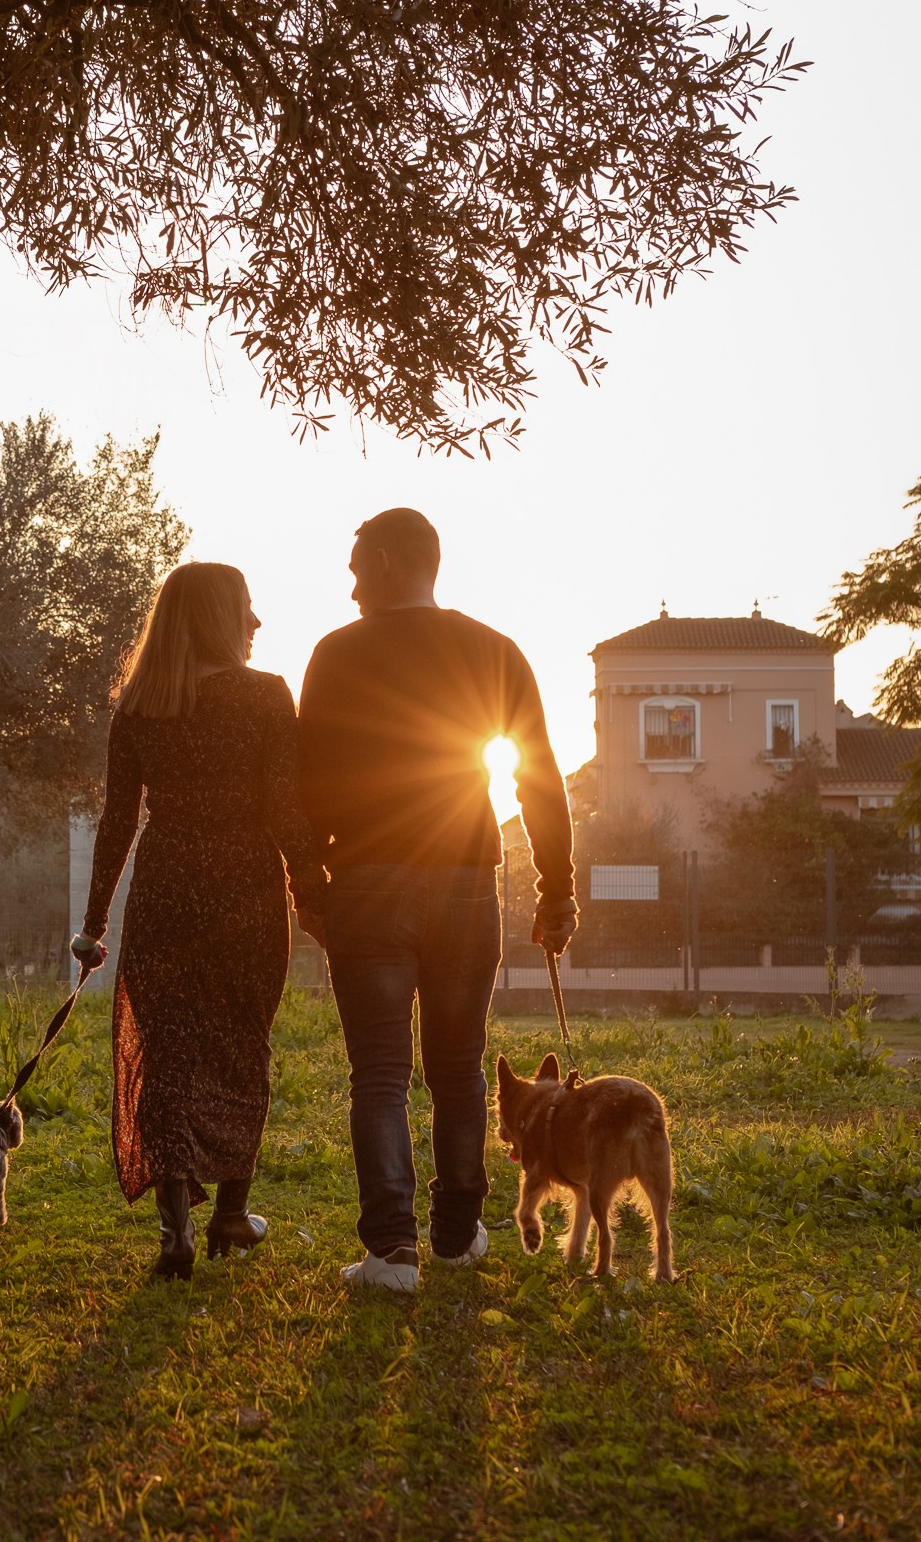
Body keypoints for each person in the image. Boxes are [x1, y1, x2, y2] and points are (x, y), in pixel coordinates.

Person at [297, 508, 576, 1292]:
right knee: (457, 1071)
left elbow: (306, 783)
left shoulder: (336, 654)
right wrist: (558, 890)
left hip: (368, 883)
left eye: (356, 569)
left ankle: (392, 1254)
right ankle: (457, 1236)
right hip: (463, 885)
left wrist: (310, 883)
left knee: (379, 1075)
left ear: (386, 561)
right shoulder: (494, 650)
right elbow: (539, 780)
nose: (351, 588)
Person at [72, 562, 327, 1279]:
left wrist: (94, 924)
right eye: (247, 608)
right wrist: (314, 888)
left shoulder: (141, 706)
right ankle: (231, 1214)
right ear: (220, 617)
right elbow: (284, 808)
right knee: (242, 1046)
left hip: (164, 890)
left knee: (170, 1057)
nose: (256, 622)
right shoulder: (267, 697)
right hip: (245, 892)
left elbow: (117, 822)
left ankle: (176, 1226)